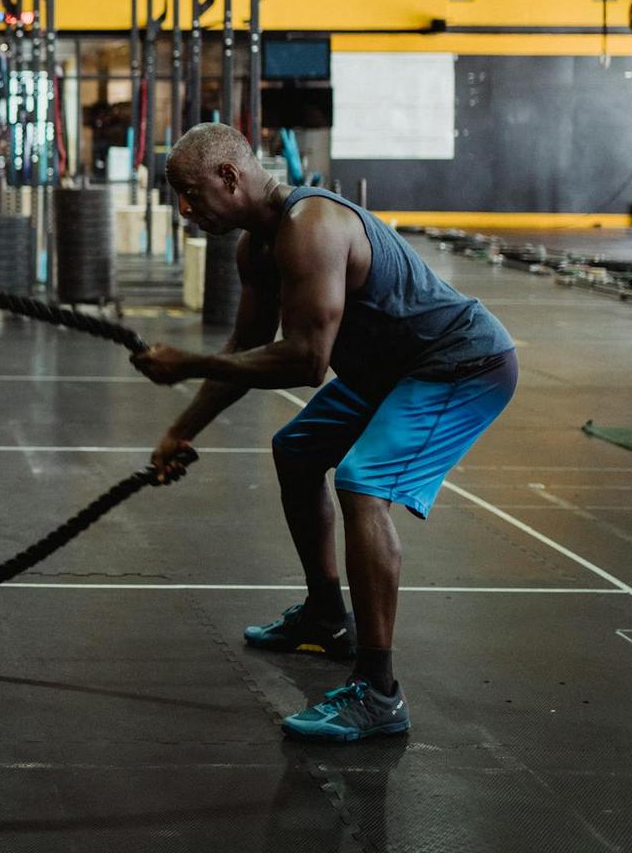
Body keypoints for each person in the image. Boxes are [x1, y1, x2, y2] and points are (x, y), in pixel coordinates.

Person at [130, 123, 516, 743]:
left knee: (362, 482)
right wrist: (180, 431)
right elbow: (246, 352)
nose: (184, 208)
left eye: (190, 192)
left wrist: (191, 363)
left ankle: (379, 693)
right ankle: (325, 616)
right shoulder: (254, 249)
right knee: (298, 450)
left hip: (458, 365)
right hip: (389, 369)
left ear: (230, 177)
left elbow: (306, 362)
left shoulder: (311, 229)